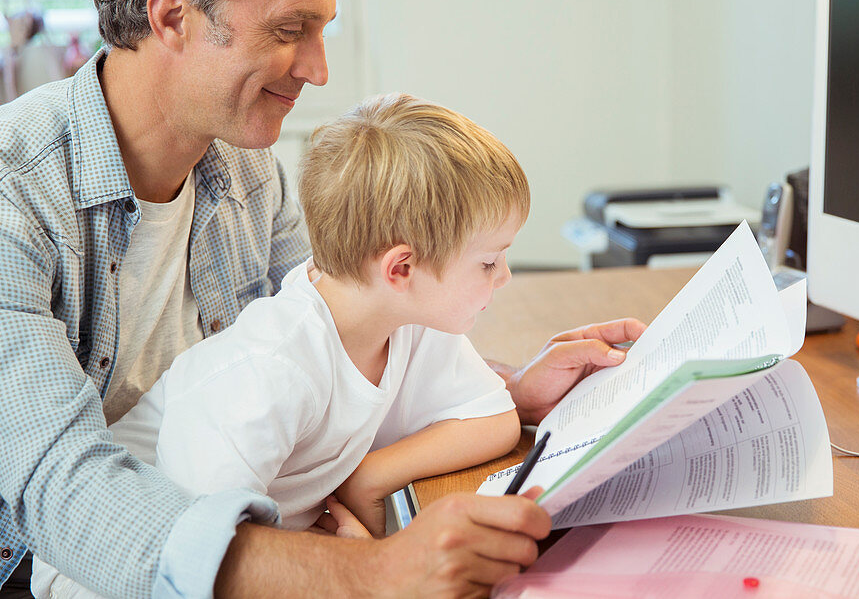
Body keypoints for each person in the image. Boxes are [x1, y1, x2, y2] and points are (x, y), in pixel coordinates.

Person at [0, 0, 645, 597]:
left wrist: (509, 389)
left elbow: (343, 336)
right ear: (172, 15)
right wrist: (368, 572)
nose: (319, 68)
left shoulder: (249, 173)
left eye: (322, 30)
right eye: (289, 30)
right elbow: (61, 490)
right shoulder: (13, 196)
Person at [33, 92, 541, 598]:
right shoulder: (271, 370)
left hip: (255, 548)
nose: (504, 277)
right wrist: (352, 567)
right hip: (116, 571)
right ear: (401, 268)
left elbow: (492, 417)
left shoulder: (407, 318)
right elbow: (200, 558)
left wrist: (369, 477)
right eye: (489, 262)